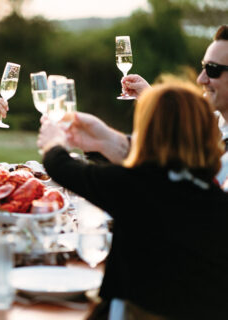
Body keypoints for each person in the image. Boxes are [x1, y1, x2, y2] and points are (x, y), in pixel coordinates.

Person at [38, 82, 228, 318]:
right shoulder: (214, 199)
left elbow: (63, 168)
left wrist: (54, 143)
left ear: (150, 133)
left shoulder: (134, 187)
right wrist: (104, 139)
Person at [67, 24, 228, 162]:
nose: (200, 79)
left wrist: (60, 162)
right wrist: (98, 142)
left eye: (212, 69)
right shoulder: (212, 123)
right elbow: (171, 141)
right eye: (203, 66)